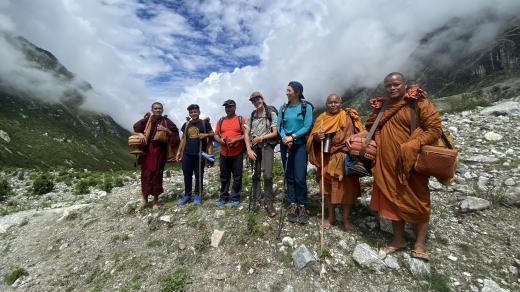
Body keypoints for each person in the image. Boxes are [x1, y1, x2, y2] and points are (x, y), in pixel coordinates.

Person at [363, 72, 442, 261]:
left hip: (412, 164)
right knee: (391, 200)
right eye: (388, 85)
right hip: (387, 164)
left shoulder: (418, 103)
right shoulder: (382, 107)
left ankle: (420, 244)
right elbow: (371, 127)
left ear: (404, 84)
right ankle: (398, 239)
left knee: (419, 201)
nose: (392, 88)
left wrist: (414, 144)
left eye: (396, 84)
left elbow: (435, 128)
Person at [307, 94, 361, 232]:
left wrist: (354, 137)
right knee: (329, 190)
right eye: (330, 102)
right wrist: (318, 138)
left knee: (347, 191)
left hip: (345, 157)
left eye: (336, 102)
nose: (333, 105)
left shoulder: (348, 116)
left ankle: (346, 220)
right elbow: (313, 140)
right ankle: (331, 217)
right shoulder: (321, 119)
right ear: (326, 104)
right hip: (328, 158)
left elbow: (361, 132)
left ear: (341, 103)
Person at [278, 81, 314, 224]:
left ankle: (302, 205)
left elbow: (307, 126)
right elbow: (280, 127)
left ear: (297, 92)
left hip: (299, 146)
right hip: (285, 145)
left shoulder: (306, 107)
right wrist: (284, 138)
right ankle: (293, 204)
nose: (286, 93)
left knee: (300, 177)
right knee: (289, 175)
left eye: (289, 90)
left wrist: (292, 137)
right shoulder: (283, 108)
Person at [133, 102, 180, 210]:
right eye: (156, 108)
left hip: (160, 153)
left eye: (160, 108)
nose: (158, 110)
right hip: (147, 153)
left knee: (157, 176)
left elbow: (175, 135)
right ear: (152, 109)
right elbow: (136, 128)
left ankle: (155, 201)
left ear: (162, 110)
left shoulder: (166, 121)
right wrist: (140, 134)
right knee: (145, 176)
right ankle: (144, 201)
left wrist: (165, 130)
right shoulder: (147, 120)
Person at [245, 91, 278, 217]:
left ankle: (268, 202)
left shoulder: (270, 113)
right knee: (256, 175)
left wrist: (261, 138)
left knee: (268, 175)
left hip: (266, 146)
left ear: (262, 99)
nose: (256, 102)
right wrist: (248, 149)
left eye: (257, 99)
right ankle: (257, 201)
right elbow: (246, 134)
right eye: (253, 100)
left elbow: (275, 133)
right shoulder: (252, 115)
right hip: (254, 148)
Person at [176, 104, 213, 205]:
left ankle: (197, 194)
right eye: (191, 112)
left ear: (199, 112)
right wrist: (179, 152)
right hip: (187, 153)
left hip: (200, 153)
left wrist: (205, 135)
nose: (193, 113)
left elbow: (213, 134)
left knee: (198, 175)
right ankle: (187, 195)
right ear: (189, 114)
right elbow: (183, 139)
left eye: (195, 111)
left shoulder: (204, 123)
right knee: (187, 175)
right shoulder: (186, 124)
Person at [214, 99, 247, 207]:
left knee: (237, 176)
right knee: (224, 176)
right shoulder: (221, 120)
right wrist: (220, 141)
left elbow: (247, 134)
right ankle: (223, 197)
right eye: (226, 107)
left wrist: (235, 140)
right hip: (224, 153)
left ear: (235, 107)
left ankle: (235, 197)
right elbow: (216, 134)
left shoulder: (241, 119)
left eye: (230, 106)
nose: (228, 109)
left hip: (237, 153)